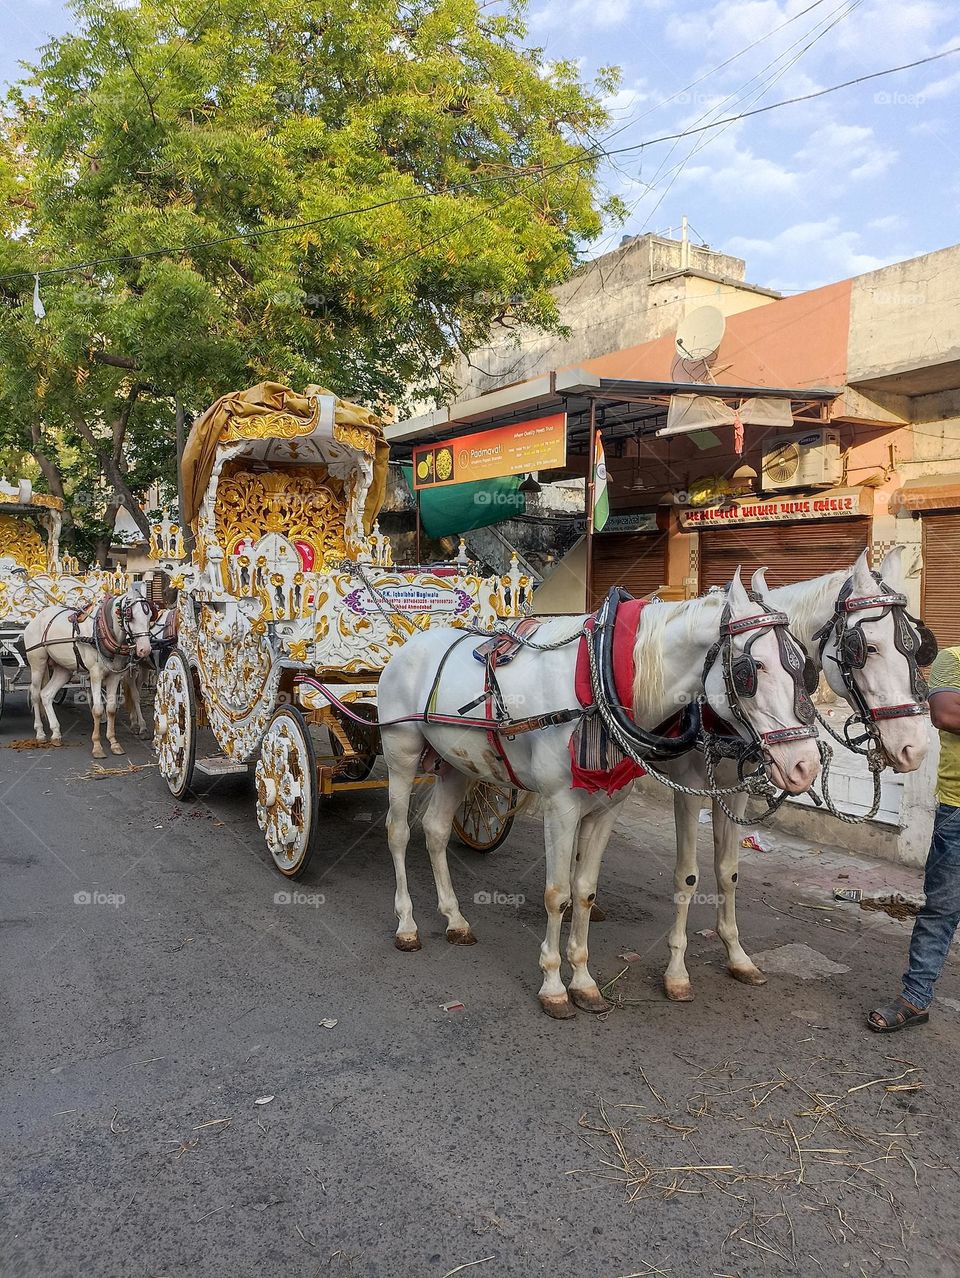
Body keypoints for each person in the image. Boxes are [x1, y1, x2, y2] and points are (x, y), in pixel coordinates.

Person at [868, 644, 960, 1032]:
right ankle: (916, 998)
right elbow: (946, 713)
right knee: (941, 908)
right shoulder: (953, 658)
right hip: (959, 808)